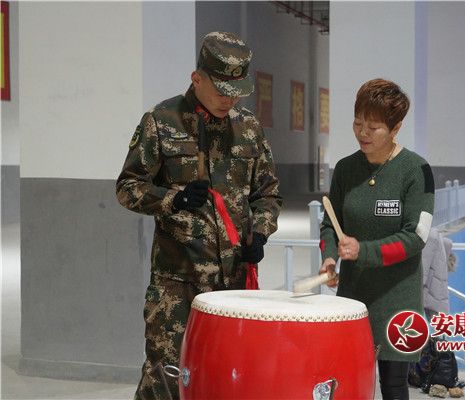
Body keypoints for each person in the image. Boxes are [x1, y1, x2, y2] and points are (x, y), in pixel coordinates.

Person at [116, 31, 282, 399]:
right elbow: (127, 188)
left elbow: (268, 193)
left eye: (236, 92)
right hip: (178, 285)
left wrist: (260, 233)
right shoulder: (162, 121)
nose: (230, 99)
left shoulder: (249, 128)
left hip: (234, 283)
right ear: (197, 78)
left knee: (227, 377)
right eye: (222, 90)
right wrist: (171, 199)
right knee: (166, 379)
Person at [319, 78, 434, 400]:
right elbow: (330, 224)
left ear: (396, 128)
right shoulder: (345, 169)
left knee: (393, 384)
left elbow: (416, 236)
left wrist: (363, 250)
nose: (362, 133)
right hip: (353, 296)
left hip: (397, 298)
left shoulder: (417, 170)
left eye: (373, 127)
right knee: (349, 379)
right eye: (358, 123)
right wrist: (330, 257)